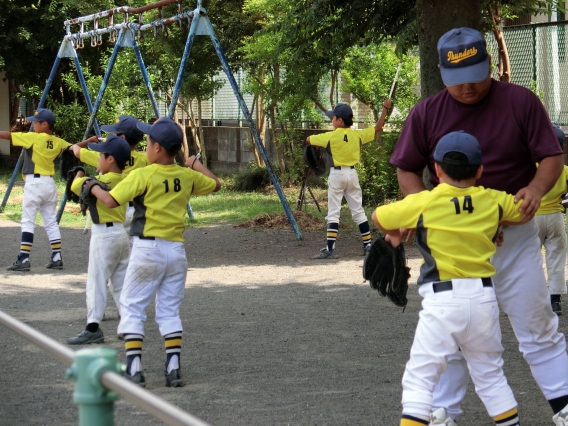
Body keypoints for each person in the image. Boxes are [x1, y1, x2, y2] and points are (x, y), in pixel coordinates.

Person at [390, 27, 568, 424]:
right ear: (441, 73)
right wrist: (437, 217)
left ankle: (564, 405)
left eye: (475, 74)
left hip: (515, 233)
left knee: (536, 323)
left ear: (489, 63)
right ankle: (442, 414)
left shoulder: (520, 101)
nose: (467, 87)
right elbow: (407, 170)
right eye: (457, 80)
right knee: (447, 335)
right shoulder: (427, 111)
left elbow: (551, 157)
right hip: (453, 244)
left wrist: (537, 189)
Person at [375, 131, 524, 426]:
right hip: (483, 300)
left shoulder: (426, 202)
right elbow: (522, 211)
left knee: (420, 379)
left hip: (442, 301)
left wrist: (398, 228)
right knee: (492, 378)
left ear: (437, 170)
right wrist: (491, 227)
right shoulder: (493, 201)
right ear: (480, 170)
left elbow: (379, 217)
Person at [88, 117, 221, 388]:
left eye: (148, 142)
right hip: (176, 252)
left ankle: (135, 369)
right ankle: (173, 368)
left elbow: (112, 200)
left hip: (148, 249)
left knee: (132, 306)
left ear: (158, 148)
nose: (146, 146)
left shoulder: (144, 174)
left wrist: (91, 187)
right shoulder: (186, 176)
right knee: (169, 310)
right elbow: (216, 184)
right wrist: (195, 164)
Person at [66, 135, 132, 345]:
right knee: (120, 283)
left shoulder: (99, 182)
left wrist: (79, 174)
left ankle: (92, 326)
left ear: (111, 159)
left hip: (104, 235)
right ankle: (128, 326)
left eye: (102, 155)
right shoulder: (127, 178)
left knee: (96, 281)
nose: (98, 158)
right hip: (122, 235)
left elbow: (76, 186)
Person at [307, 99, 392, 259]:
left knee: (334, 212)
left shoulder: (330, 136)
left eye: (333, 118)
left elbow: (309, 140)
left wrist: (317, 144)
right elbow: (378, 127)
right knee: (358, 211)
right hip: (352, 174)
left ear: (340, 120)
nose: (332, 120)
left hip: (337, 174)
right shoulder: (358, 135)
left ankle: (330, 249)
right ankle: (367, 245)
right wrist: (385, 109)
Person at [1, 108, 71, 271]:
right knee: (50, 221)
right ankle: (56, 256)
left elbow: (9, 136)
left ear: (44, 124)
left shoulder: (34, 138)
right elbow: (74, 148)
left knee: (28, 220)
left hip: (34, 184)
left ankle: (24, 259)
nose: (33, 124)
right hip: (49, 184)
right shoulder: (57, 141)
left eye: (36, 122)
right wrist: (90, 141)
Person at [71, 115, 149, 236]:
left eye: (115, 135)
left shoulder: (106, 157)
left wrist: (85, 142)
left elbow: (75, 150)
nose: (111, 136)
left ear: (122, 138)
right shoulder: (144, 158)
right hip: (137, 209)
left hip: (117, 211)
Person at [535, 123, 568, 316]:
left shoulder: (531, 167)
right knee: (556, 258)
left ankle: (531, 300)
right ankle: (555, 300)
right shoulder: (563, 170)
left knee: (530, 260)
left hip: (532, 218)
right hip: (555, 217)